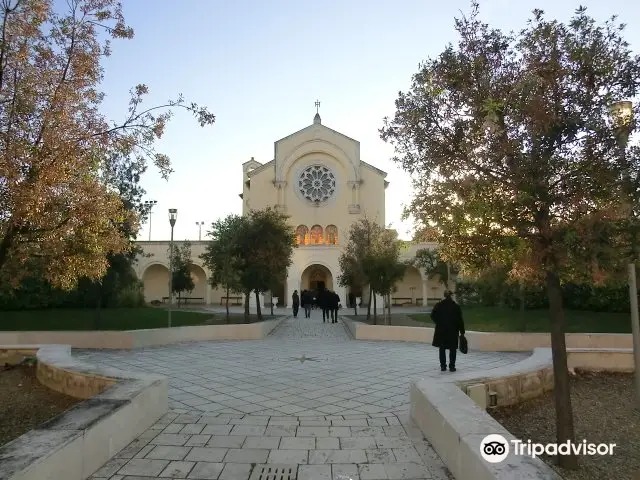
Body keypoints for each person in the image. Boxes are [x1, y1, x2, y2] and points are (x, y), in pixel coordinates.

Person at [430, 290, 465, 372]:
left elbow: (432, 315)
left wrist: (438, 323)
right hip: (453, 331)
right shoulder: (456, 306)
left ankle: (443, 366)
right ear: (451, 296)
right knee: (452, 349)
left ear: (444, 296)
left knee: (442, 348)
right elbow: (460, 320)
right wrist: (462, 331)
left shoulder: (439, 305)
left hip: (441, 330)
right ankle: (452, 367)